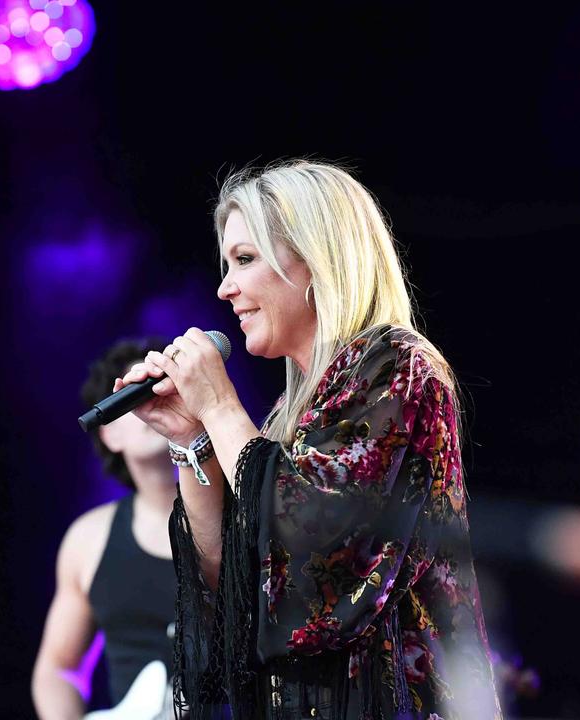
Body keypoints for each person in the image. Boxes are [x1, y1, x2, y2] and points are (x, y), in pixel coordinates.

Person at [117, 161, 503, 719]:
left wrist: (221, 407)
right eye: (227, 264)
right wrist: (192, 440)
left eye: (245, 260)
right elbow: (231, 588)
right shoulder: (288, 418)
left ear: (317, 263)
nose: (225, 288)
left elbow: (318, 543)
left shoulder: (399, 367)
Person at [32, 338, 178, 719]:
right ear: (109, 433)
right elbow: (58, 668)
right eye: (132, 395)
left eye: (157, 387)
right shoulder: (87, 538)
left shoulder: (246, 512)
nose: (149, 404)